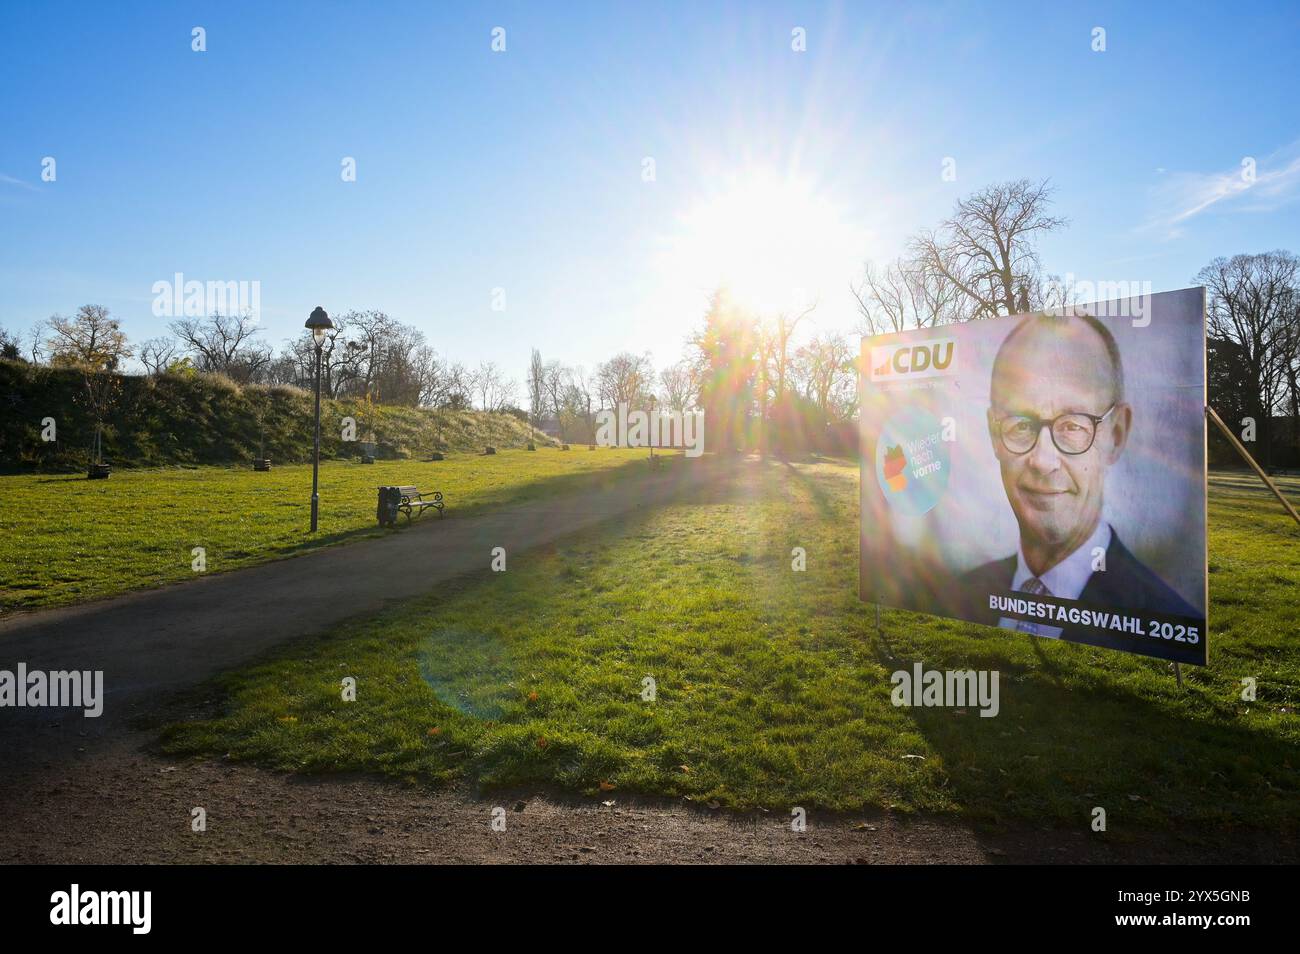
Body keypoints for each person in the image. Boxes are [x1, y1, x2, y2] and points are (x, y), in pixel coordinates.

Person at [961, 313, 1199, 642]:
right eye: (1021, 424)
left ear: (1115, 435)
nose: (1043, 461)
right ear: (993, 435)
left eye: (1073, 425)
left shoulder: (1167, 627)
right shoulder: (956, 595)